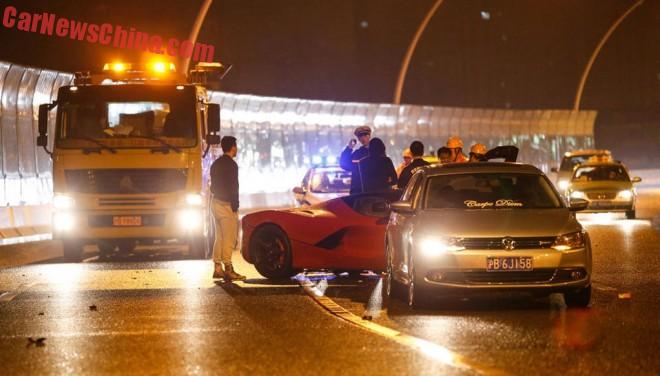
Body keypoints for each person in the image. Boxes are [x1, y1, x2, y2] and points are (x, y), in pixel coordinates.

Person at [210, 136, 246, 281]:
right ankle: (229, 268)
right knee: (229, 238)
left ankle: (217, 268)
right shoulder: (231, 165)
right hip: (226, 205)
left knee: (219, 236)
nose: (236, 149)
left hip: (215, 203)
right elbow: (233, 187)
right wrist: (235, 206)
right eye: (235, 146)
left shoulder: (215, 164)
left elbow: (212, 186)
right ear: (232, 147)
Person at [340, 126, 371, 194]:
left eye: (365, 135)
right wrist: (349, 148)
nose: (363, 138)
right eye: (360, 136)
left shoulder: (377, 151)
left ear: (369, 136)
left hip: (374, 191)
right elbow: (344, 163)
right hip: (359, 192)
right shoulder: (358, 153)